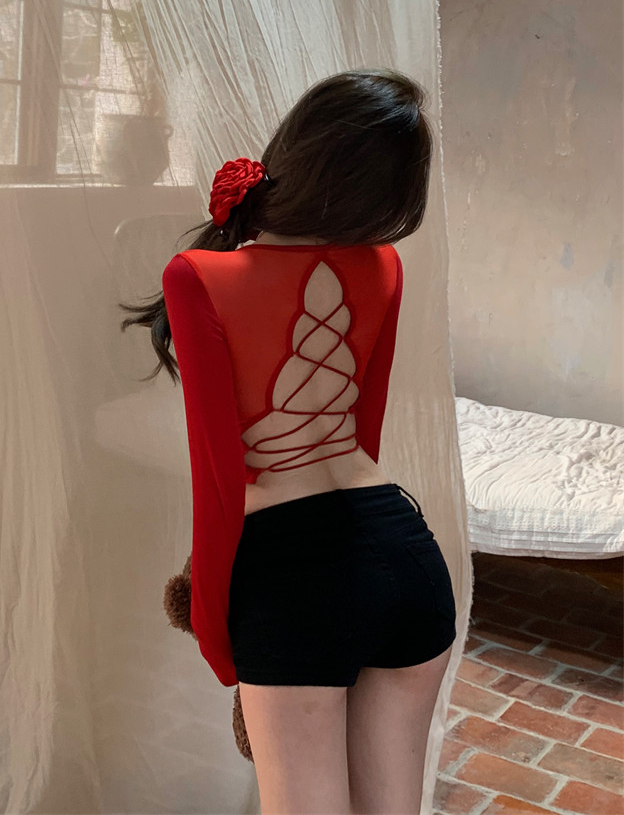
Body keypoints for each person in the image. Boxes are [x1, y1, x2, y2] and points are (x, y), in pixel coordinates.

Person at [120, 69, 457, 815]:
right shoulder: (384, 266)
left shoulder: (197, 275)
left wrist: (215, 630)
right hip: (406, 555)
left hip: (292, 575)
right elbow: (365, 425)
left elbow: (219, 478)